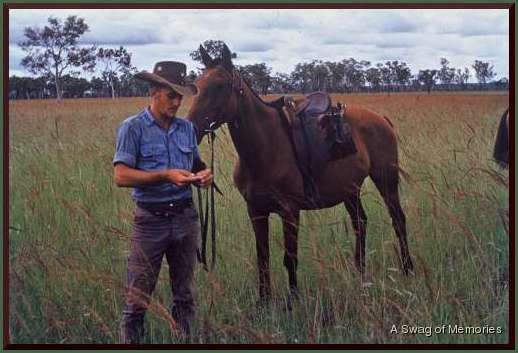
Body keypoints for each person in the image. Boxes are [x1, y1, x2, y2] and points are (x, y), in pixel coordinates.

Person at [113, 61, 213, 343]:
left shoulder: (186, 130)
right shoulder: (132, 128)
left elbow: (195, 165)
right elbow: (120, 176)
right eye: (172, 95)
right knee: (137, 301)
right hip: (150, 223)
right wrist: (164, 176)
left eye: (180, 96)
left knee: (185, 297)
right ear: (154, 91)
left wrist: (203, 176)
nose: (177, 102)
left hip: (185, 219)